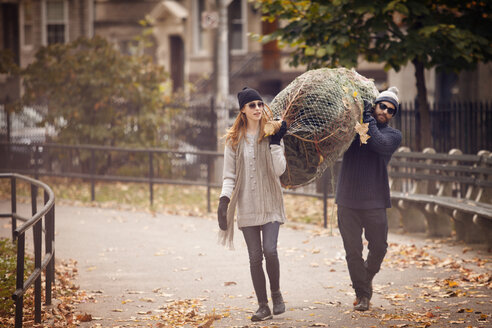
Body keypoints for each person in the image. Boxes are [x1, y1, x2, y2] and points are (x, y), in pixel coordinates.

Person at [217, 87, 288, 322]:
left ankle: (276, 294)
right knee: (255, 257)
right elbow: (229, 176)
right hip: (246, 205)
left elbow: (280, 170)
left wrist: (276, 142)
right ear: (243, 111)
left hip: (270, 202)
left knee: (270, 249)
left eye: (260, 104)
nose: (258, 109)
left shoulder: (272, 133)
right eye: (252, 105)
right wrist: (224, 200)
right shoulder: (234, 141)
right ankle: (263, 305)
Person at [335, 87, 402, 311]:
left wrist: (366, 116)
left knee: (380, 247)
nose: (385, 112)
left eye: (391, 110)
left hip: (375, 200)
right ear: (375, 104)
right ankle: (363, 295)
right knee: (352, 251)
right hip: (348, 199)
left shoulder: (393, 136)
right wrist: (359, 114)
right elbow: (353, 137)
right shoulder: (357, 128)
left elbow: (378, 143)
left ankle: (364, 276)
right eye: (382, 105)